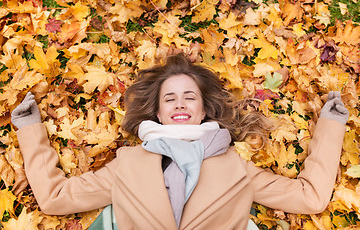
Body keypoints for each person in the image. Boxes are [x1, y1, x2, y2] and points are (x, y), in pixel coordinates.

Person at [11, 54, 348, 229]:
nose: (181, 103)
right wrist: (29, 127)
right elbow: (55, 199)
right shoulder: (126, 166)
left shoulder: (235, 169)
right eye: (170, 99)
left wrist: (332, 125)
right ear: (158, 113)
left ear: (204, 111)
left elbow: (310, 198)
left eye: (190, 97)